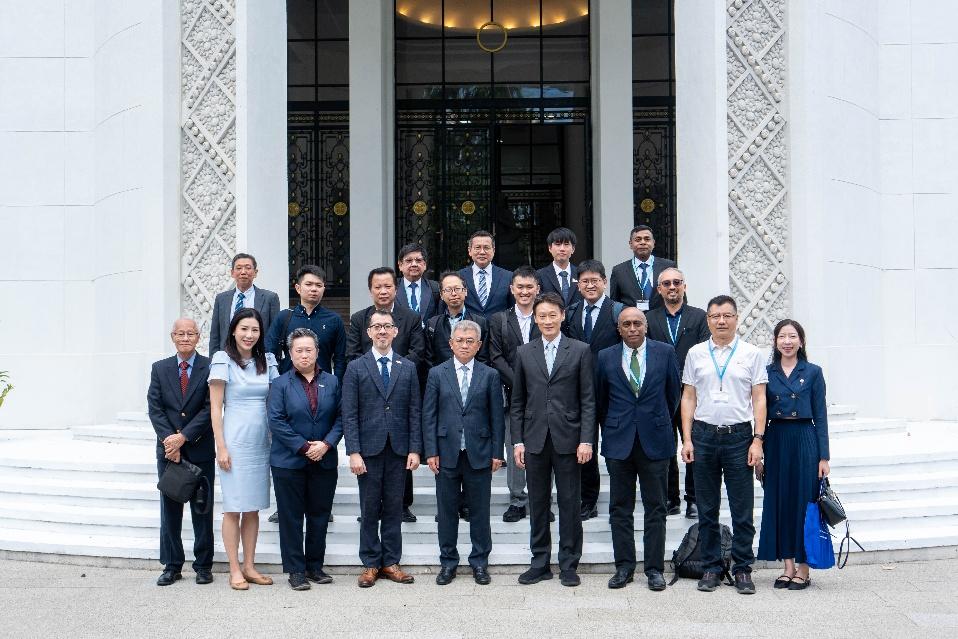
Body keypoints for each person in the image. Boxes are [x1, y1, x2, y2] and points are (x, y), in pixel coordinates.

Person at [681, 295, 767, 595]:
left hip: (739, 438)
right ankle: (711, 567)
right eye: (715, 316)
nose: (721, 321)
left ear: (736, 318)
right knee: (707, 508)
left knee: (742, 508)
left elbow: (759, 398)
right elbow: (688, 397)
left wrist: (758, 439)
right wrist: (687, 438)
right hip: (703, 436)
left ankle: (742, 568)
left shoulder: (751, 353)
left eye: (727, 315)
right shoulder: (695, 353)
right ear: (708, 320)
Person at [511, 292, 596, 587]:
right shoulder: (524, 352)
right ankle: (540, 562)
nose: (547, 320)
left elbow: (588, 400)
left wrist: (586, 440)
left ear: (562, 316)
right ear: (535, 319)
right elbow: (518, 402)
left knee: (570, 503)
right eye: (541, 316)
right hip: (534, 439)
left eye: (552, 315)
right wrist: (517, 441)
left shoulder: (580, 350)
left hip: (569, 439)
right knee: (538, 503)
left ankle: (569, 563)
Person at [595, 308, 681, 591]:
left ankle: (654, 569)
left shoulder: (665, 353)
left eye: (637, 323)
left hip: (655, 440)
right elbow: (601, 400)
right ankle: (624, 567)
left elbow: (673, 395)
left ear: (646, 326)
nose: (632, 328)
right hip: (618, 442)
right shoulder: (605, 356)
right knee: (620, 508)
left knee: (656, 507)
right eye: (626, 324)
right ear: (618, 329)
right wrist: (615, 425)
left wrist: (655, 421)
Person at [342, 310, 422, 588]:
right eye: (377, 327)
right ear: (369, 332)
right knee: (369, 508)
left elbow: (414, 411)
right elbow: (349, 413)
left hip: (399, 449)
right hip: (368, 450)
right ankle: (370, 563)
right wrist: (353, 451)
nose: (382, 331)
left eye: (387, 326)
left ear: (395, 331)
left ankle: (391, 561)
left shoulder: (407, 367)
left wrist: (415, 449)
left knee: (394, 508)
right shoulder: (356, 367)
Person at [422, 321, 505, 585]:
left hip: (479, 452)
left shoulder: (490, 375)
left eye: (470, 341)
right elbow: (429, 415)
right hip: (446, 453)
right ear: (451, 344)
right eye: (460, 340)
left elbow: (497, 417)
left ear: (479, 345)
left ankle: (479, 562)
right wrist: (430, 451)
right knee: (447, 512)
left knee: (480, 511)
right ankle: (448, 562)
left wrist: (497, 451)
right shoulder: (437, 373)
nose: (465, 345)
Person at [346, 267, 426, 522]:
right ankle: (371, 510)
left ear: (396, 288)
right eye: (377, 287)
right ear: (371, 290)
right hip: (368, 389)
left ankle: (402, 505)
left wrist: (397, 369)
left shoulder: (410, 317)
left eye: (388, 286)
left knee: (401, 456)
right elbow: (353, 353)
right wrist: (374, 372)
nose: (383, 291)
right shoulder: (359, 318)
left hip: (401, 386)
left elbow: (418, 352)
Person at [209, 308, 279, 591]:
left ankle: (249, 565)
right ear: (234, 331)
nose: (249, 335)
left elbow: (276, 400)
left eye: (255, 330)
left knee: (253, 508)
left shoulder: (268, 360)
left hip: (261, 441)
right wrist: (221, 446)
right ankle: (234, 568)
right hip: (234, 441)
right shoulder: (222, 359)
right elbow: (216, 408)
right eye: (244, 329)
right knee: (233, 508)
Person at [267, 328, 343, 591]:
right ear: (290, 354)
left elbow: (341, 418)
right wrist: (303, 447)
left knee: (319, 515)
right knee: (290, 518)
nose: (304, 355)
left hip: (324, 459)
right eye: (298, 350)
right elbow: (276, 421)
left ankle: (314, 566)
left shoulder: (332, 382)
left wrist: (326, 444)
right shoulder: (279, 384)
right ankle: (296, 571)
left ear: (317, 352)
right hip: (288, 462)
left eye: (308, 349)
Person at [758, 319, 830, 591]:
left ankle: (804, 568)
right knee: (781, 502)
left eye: (792, 336)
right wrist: (758, 449)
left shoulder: (813, 372)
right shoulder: (766, 372)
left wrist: (824, 457)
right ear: (775, 341)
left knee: (804, 502)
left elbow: (821, 415)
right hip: (776, 439)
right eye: (782, 337)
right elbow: (759, 412)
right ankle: (787, 567)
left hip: (804, 439)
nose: (787, 342)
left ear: (801, 341)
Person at [147, 319, 214, 586]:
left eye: (190, 333)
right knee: (170, 510)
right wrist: (170, 442)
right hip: (168, 453)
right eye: (180, 333)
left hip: (200, 448)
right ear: (172, 336)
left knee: (202, 509)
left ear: (198, 337)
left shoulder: (210, 366)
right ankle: (172, 565)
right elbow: (155, 408)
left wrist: (183, 437)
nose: (185, 338)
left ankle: (203, 565)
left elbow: (210, 408)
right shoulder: (160, 368)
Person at [645, 267, 709, 519]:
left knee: (694, 445)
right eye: (667, 284)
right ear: (659, 289)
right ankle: (670, 498)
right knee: (665, 447)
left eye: (677, 282)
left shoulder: (699, 317)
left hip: (692, 392)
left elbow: (705, 353)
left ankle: (693, 499)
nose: (672, 287)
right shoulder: (649, 319)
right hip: (660, 392)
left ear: (684, 286)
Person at [562, 259, 622, 521]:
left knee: (615, 450)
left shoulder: (617, 312)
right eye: (584, 281)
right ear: (578, 285)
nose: (589, 285)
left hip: (611, 392)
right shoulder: (570, 313)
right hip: (578, 392)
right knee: (584, 448)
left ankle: (620, 501)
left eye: (594, 281)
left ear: (604, 282)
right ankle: (588, 500)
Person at [487, 266, 541, 522]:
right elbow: (495, 356)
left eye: (529, 287)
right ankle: (518, 500)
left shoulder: (546, 316)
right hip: (511, 394)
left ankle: (541, 500)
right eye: (520, 287)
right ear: (512, 289)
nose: (525, 291)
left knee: (543, 447)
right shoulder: (499, 320)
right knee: (514, 446)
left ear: (537, 289)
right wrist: (519, 383)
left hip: (544, 393)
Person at [266, 265, 346, 379]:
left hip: (323, 385)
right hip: (288, 384)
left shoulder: (334, 320)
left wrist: (337, 385)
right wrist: (276, 382)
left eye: (318, 285)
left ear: (323, 289)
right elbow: (269, 351)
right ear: (298, 288)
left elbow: (340, 359)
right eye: (308, 284)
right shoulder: (284, 317)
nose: (314, 289)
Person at [209, 253, 281, 353]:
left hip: (259, 356)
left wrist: (272, 358)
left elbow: (275, 334)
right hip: (227, 355)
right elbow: (215, 334)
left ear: (255, 272)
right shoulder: (221, 299)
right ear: (232, 273)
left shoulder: (270, 298)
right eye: (239, 268)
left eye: (248, 268)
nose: (243, 272)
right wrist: (214, 358)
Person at [425, 271, 490, 368]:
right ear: (441, 295)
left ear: (465, 291)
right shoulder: (432, 324)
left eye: (457, 289)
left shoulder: (480, 323)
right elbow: (429, 361)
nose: (454, 293)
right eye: (448, 290)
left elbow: (484, 359)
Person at [608, 226, 677, 312]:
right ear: (630, 244)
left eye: (647, 239)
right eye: (638, 240)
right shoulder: (619, 271)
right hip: (632, 319)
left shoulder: (668, 266)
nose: (643, 242)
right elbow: (615, 305)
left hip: (662, 318)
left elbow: (679, 296)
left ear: (653, 243)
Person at [459, 230, 514, 318]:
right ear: (469, 251)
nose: (482, 252)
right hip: (468, 325)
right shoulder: (459, 277)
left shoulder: (508, 277)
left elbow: (513, 308)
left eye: (486, 247)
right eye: (477, 247)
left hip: (499, 326)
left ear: (493, 250)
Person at [394, 243, 442, 322]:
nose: (414, 264)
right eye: (409, 261)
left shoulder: (435, 288)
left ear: (425, 265)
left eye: (418, 260)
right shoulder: (392, 288)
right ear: (400, 265)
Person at [536, 227, 581, 307]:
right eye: (558, 244)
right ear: (550, 248)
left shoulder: (580, 274)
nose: (562, 249)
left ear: (573, 249)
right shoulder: (539, 275)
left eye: (566, 244)